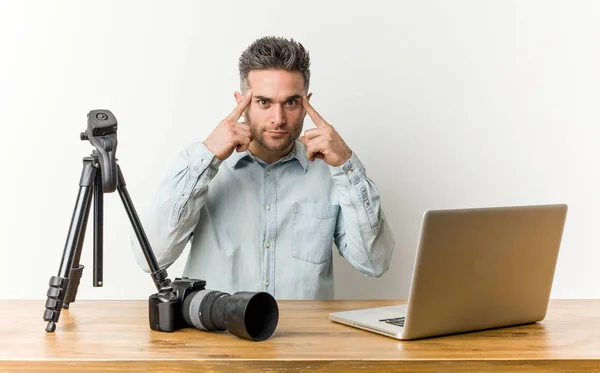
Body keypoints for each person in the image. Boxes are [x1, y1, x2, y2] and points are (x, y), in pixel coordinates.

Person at [132, 36, 395, 299]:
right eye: (264, 102)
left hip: (304, 337)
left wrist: (347, 165)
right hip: (219, 336)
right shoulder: (197, 165)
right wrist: (207, 157)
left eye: (290, 102)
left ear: (306, 103)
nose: (278, 119)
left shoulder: (331, 172)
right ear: (241, 101)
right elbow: (151, 258)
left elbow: (374, 264)